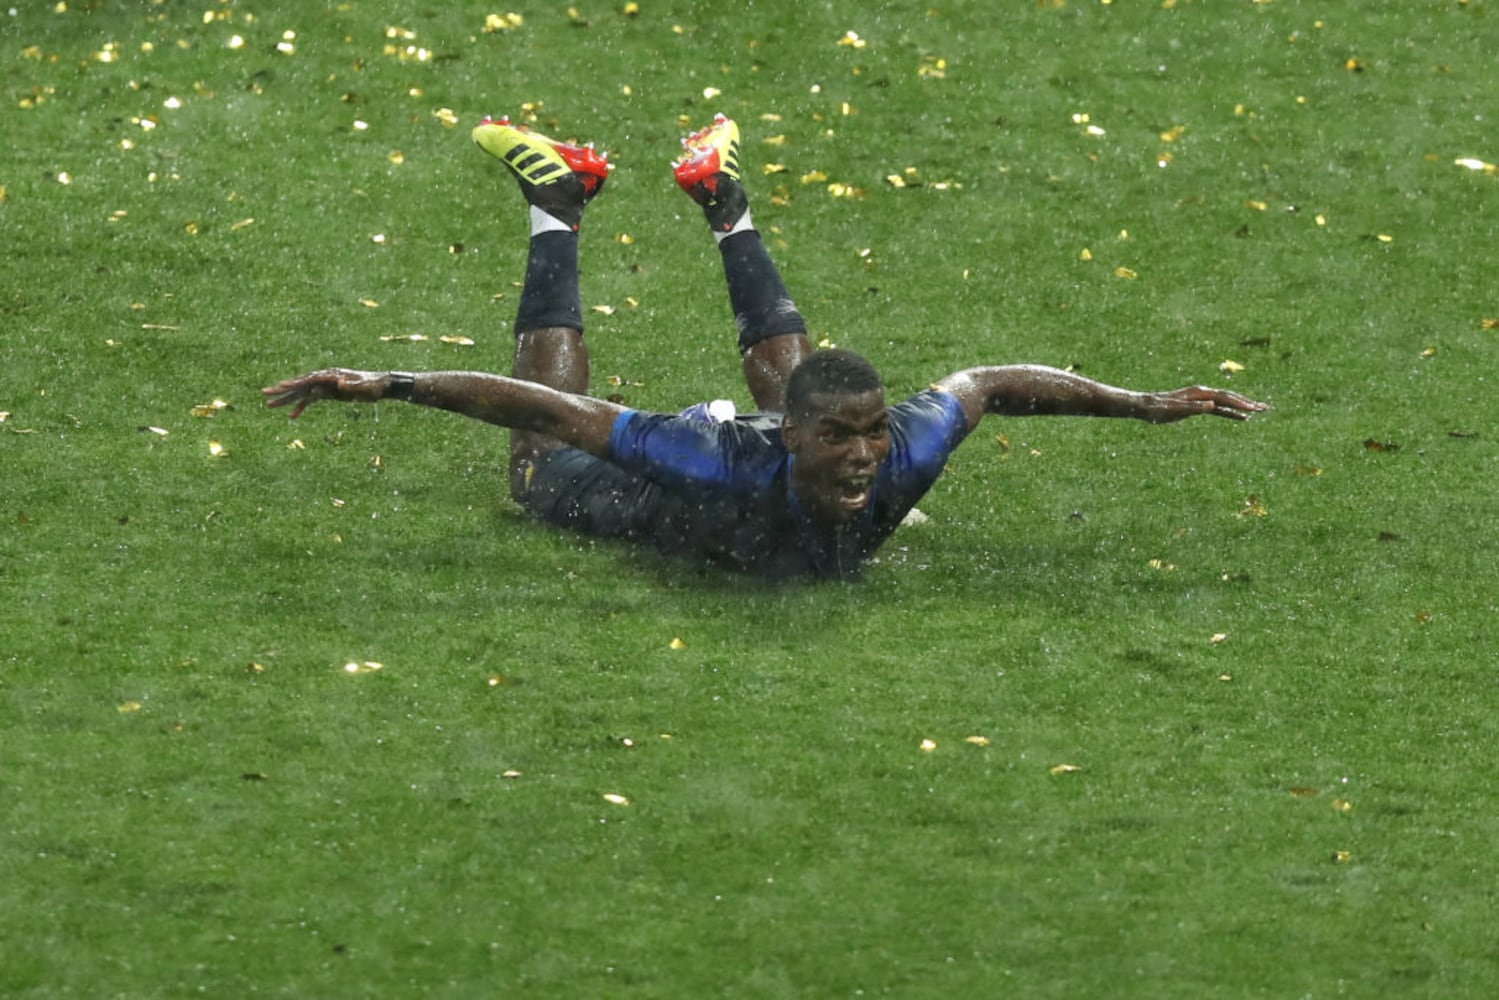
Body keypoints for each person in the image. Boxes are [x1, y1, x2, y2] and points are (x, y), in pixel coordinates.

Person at [264, 114, 1265, 579]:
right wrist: (385, 383)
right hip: (650, 496)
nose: (868, 454)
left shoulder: (895, 447)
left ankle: (721, 200)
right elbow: (548, 412)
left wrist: (1141, 405)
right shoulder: (708, 457)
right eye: (845, 440)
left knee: (809, 388)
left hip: (765, 461)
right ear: (787, 445)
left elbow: (989, 383)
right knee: (535, 467)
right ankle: (554, 203)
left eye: (871, 433)